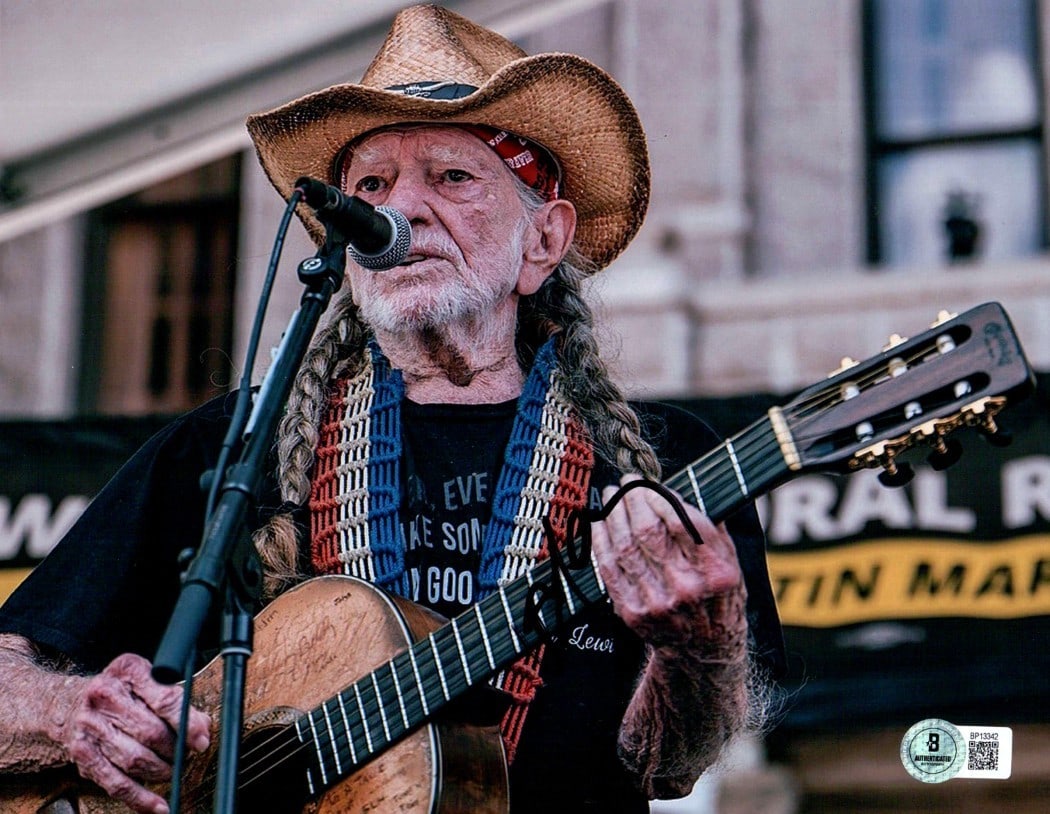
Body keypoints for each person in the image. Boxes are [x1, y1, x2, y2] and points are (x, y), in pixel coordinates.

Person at [0, 5, 784, 812]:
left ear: (543, 242)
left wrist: (700, 649)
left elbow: (670, 767)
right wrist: (71, 717)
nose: (401, 210)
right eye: (371, 185)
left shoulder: (663, 465)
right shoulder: (235, 444)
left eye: (452, 177)